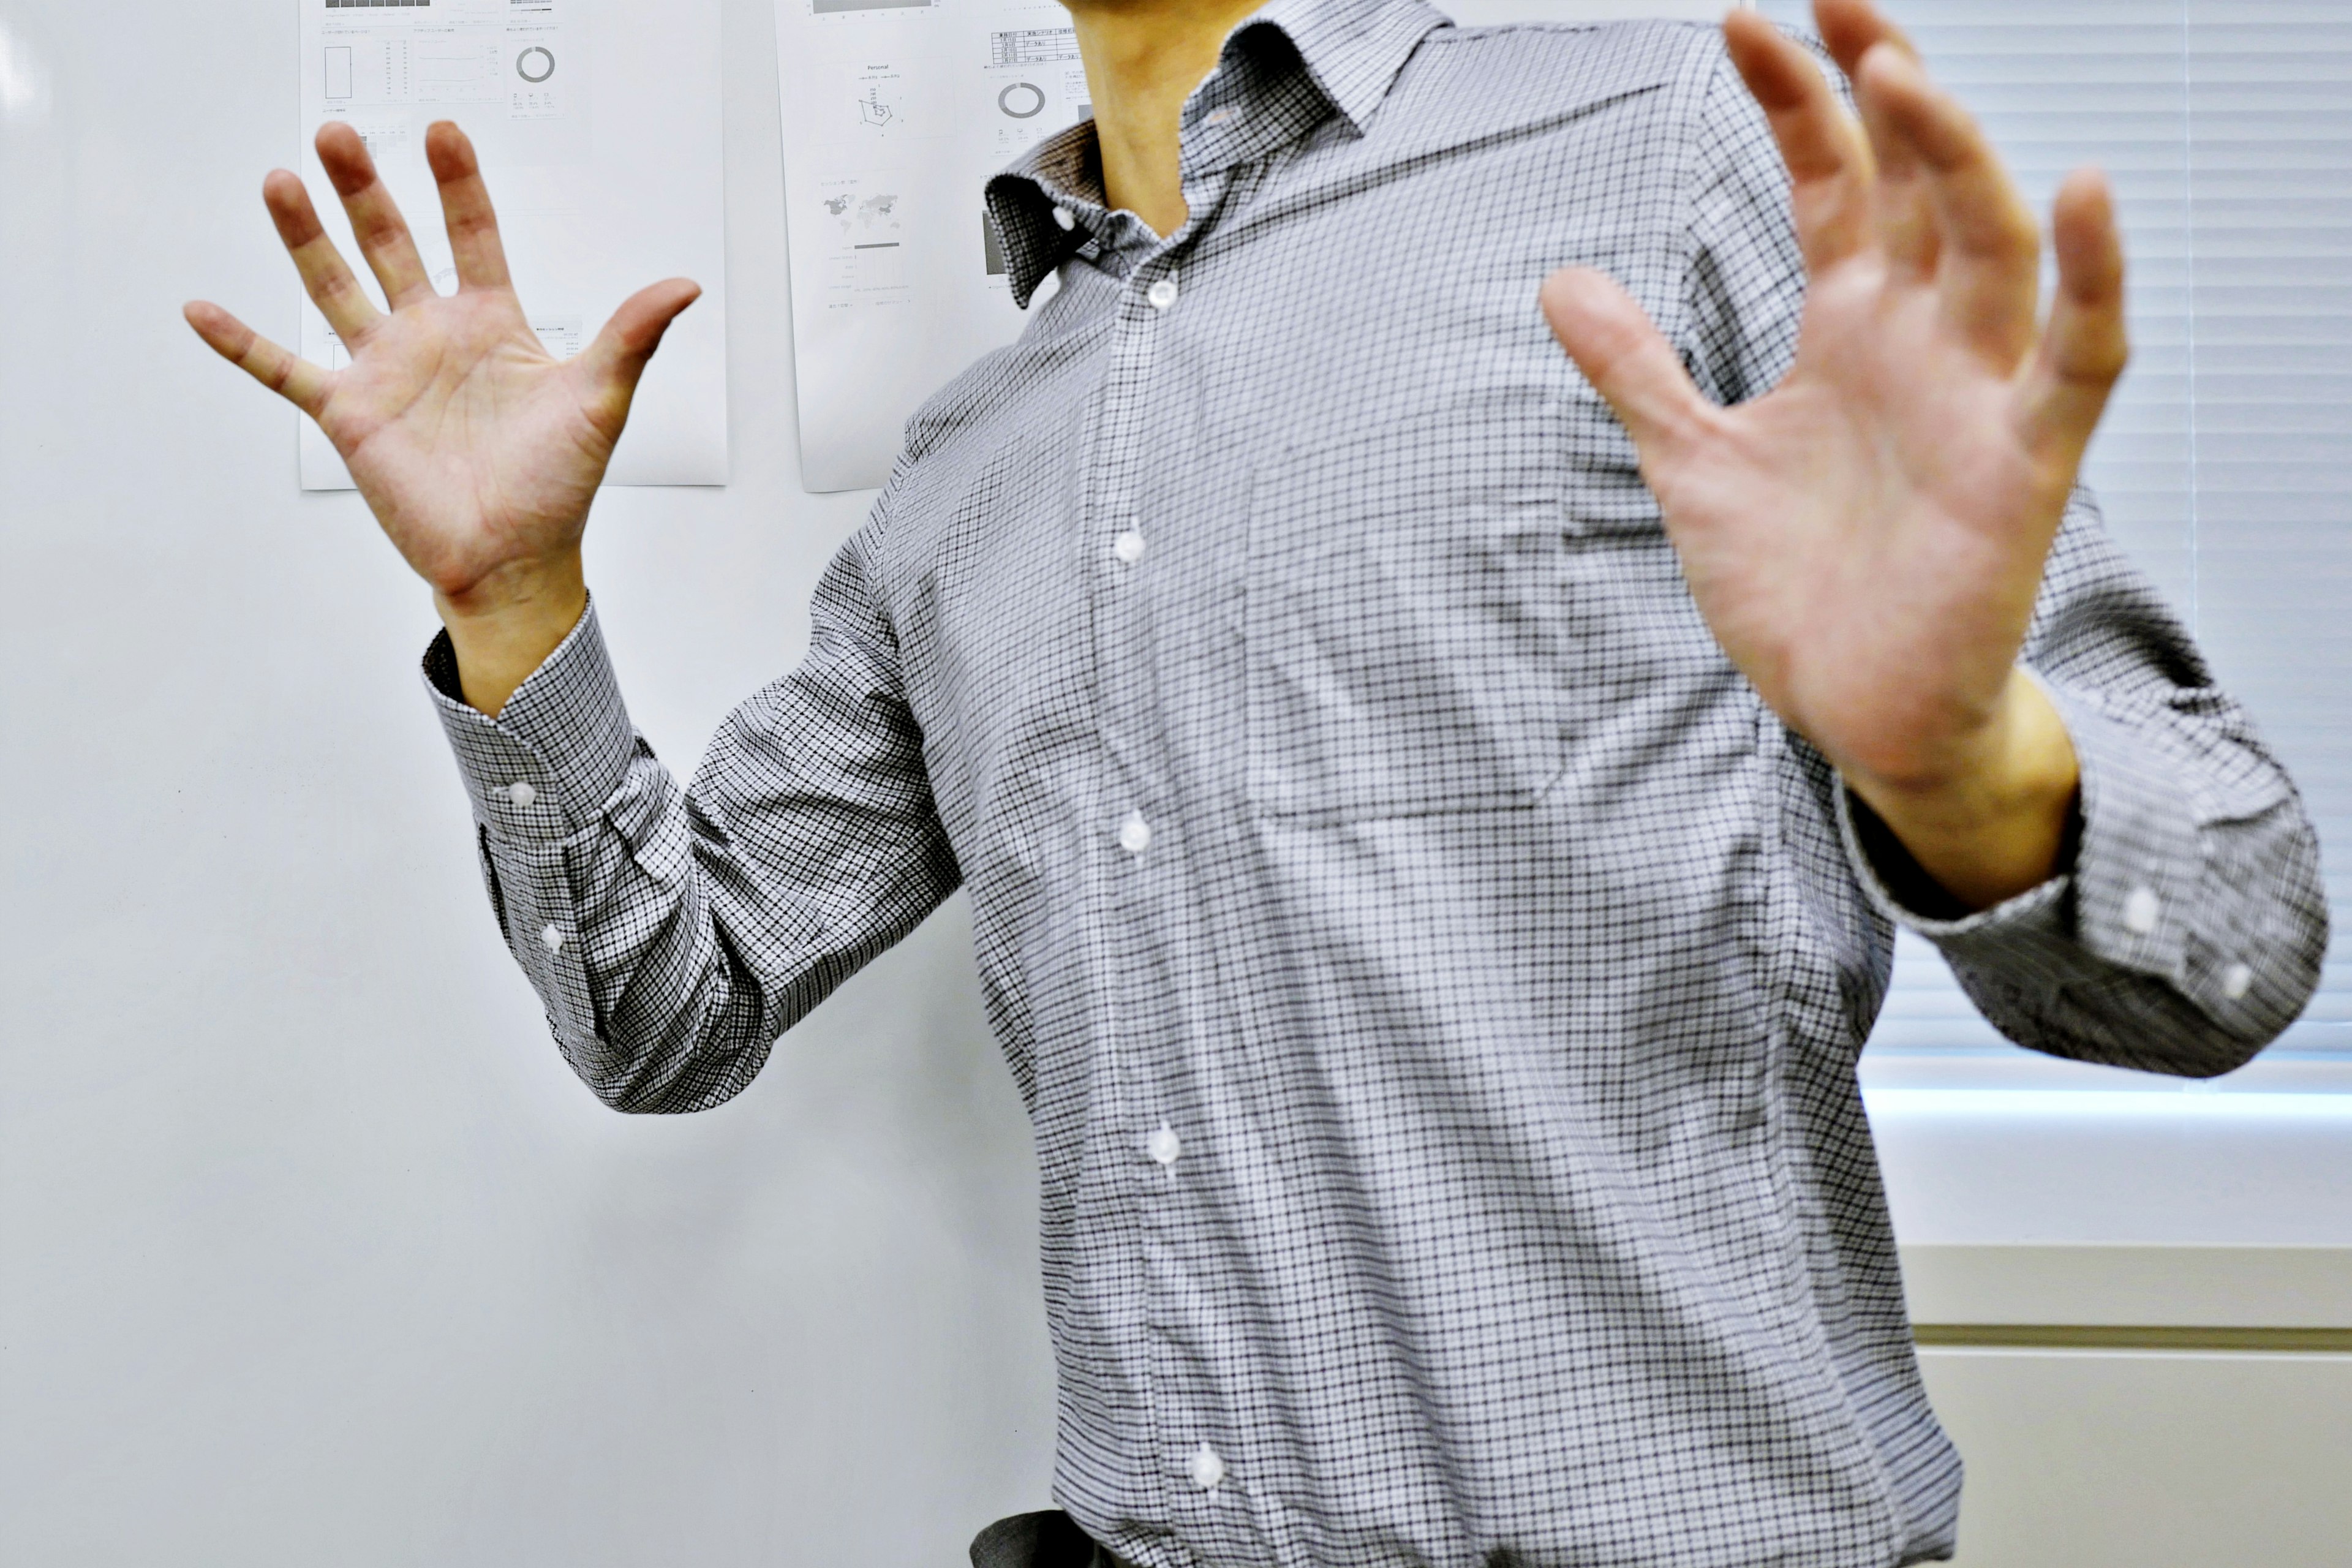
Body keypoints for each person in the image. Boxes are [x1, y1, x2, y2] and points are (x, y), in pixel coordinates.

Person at [185, 0, 2326, 1562]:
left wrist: (1960, 756)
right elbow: (672, 1011)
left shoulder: (1668, 142)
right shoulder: (968, 471)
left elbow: (2231, 936)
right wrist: (520, 604)